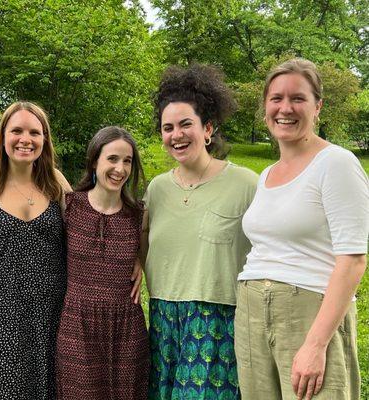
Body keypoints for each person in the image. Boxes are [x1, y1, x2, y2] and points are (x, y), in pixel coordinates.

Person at [235, 58, 368, 400]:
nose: (285, 108)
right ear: (265, 106)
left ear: (318, 106)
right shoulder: (267, 174)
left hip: (308, 310)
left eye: (298, 98)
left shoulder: (336, 163)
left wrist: (315, 344)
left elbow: (353, 259)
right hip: (251, 311)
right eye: (276, 98)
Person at [142, 64, 258, 399]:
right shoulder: (157, 189)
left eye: (185, 124)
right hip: (163, 321)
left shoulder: (246, 184)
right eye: (167, 128)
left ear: (208, 129)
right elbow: (142, 242)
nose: (176, 134)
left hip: (217, 323)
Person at [0, 101, 71, 399]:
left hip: (51, 314)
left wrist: (135, 261)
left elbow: (84, 238)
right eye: (17, 130)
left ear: (44, 140)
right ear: (2, 136)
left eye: (34, 132)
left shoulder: (56, 182)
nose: (26, 139)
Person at [55, 126, 150, 399]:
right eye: (112, 159)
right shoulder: (69, 206)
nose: (120, 168)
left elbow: (154, 254)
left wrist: (140, 263)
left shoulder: (138, 216)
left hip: (126, 331)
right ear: (95, 160)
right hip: (77, 327)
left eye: (127, 161)